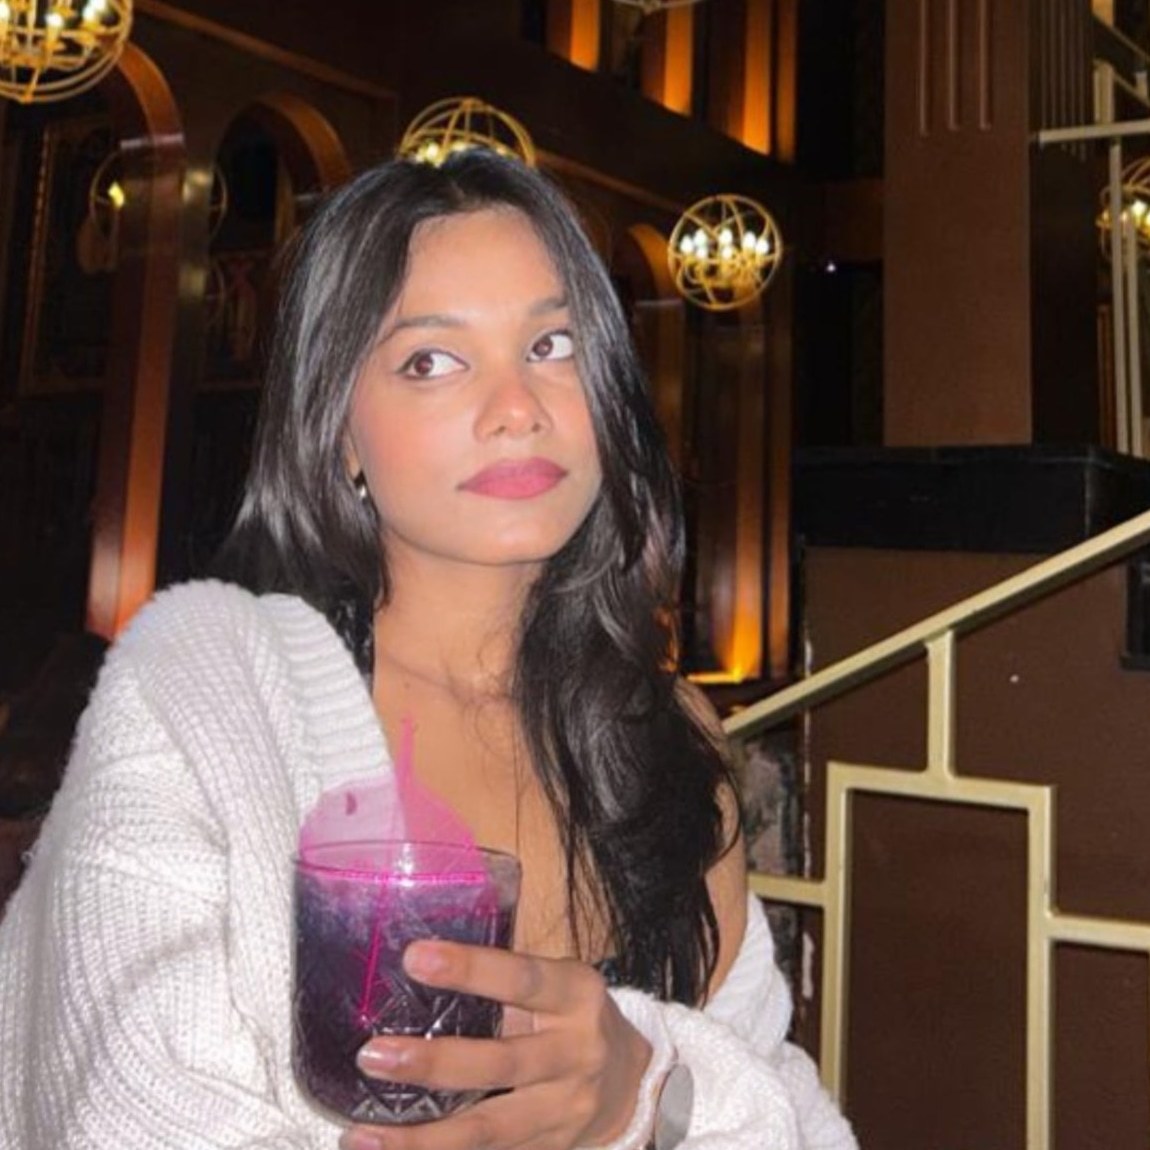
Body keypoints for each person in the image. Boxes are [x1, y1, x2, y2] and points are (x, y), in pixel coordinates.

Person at [0, 151, 856, 1150]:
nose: (518, 406)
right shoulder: (208, 704)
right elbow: (121, 1114)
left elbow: (769, 1103)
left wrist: (649, 1091)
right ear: (337, 430)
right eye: (431, 361)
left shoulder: (669, 742)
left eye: (552, 344)